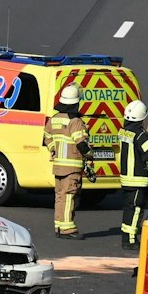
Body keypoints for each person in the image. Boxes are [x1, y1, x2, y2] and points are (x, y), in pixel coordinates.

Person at [42, 84, 88, 239]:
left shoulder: (54, 119)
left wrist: (53, 148)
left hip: (58, 166)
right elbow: (81, 143)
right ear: (75, 102)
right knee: (69, 195)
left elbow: (46, 136)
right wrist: (90, 155)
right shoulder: (74, 121)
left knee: (60, 196)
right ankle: (68, 229)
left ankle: (59, 226)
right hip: (72, 166)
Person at [116, 99, 148, 248]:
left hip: (126, 178)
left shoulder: (123, 132)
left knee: (128, 207)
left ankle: (125, 237)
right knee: (136, 209)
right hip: (138, 178)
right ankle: (130, 240)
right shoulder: (140, 134)